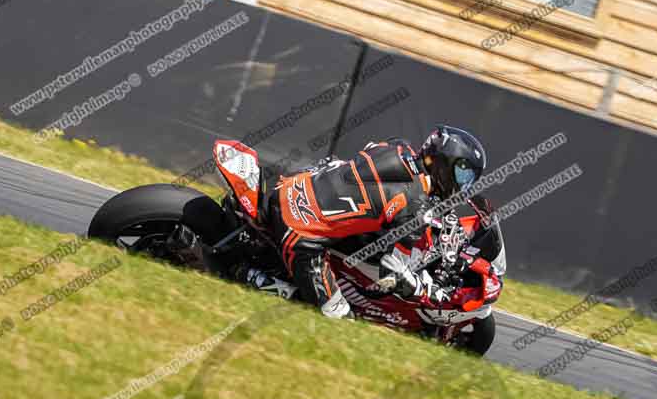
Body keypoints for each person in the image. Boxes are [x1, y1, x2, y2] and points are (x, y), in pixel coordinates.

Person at [169, 125, 490, 318]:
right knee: (339, 319)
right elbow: (388, 268)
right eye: (463, 173)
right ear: (446, 164)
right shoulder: (413, 203)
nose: (463, 184)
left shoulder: (396, 148)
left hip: (289, 189)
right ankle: (242, 275)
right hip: (302, 239)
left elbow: (342, 166)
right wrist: (424, 287)